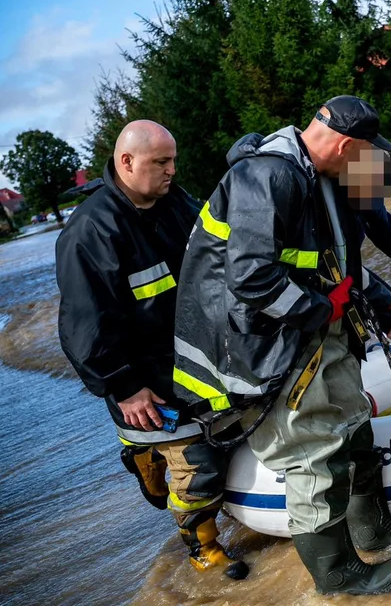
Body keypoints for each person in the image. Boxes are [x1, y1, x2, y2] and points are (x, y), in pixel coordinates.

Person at [172, 97, 391, 596]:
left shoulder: (322, 179)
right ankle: (337, 576)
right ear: (347, 146)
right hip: (265, 346)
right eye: (368, 154)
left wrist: (386, 304)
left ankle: (373, 529)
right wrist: (322, 311)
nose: (371, 165)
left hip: (311, 334)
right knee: (312, 452)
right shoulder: (269, 177)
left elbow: (336, 264)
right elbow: (252, 277)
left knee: (353, 424)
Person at [55, 121, 248, 580]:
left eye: (173, 160)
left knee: (233, 440)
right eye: (161, 162)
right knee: (197, 466)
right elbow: (84, 326)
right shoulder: (90, 232)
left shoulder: (177, 202)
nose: (171, 170)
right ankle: (204, 548)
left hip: (194, 360)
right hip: (141, 380)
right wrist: (125, 387)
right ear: (126, 162)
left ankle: (153, 456)